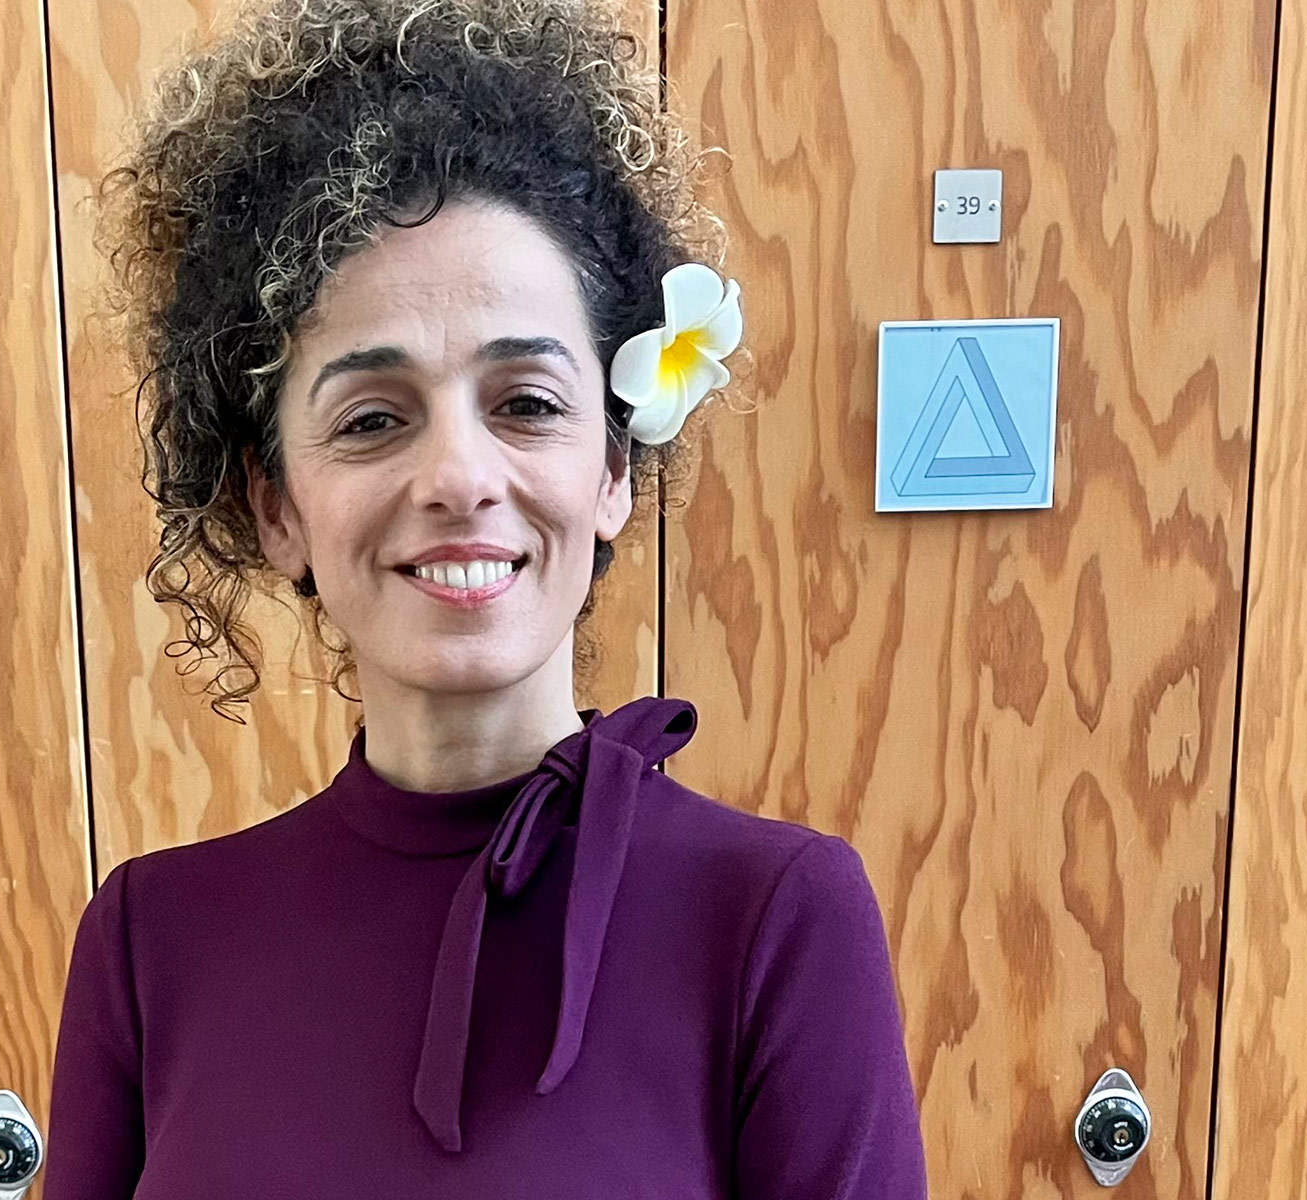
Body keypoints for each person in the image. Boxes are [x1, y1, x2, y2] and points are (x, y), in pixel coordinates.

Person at [45, 0, 928, 1194]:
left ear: (611, 470)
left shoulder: (773, 920)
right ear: (275, 505)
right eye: (372, 420)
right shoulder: (151, 945)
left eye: (524, 404)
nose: (458, 476)